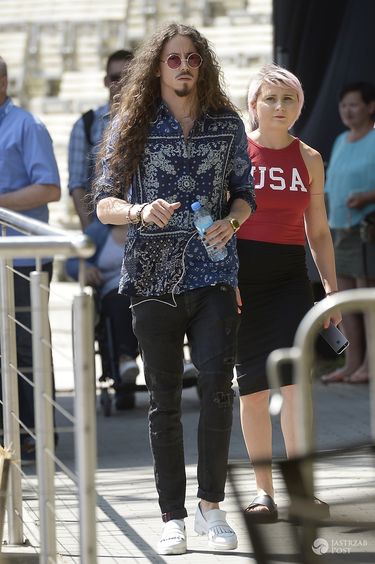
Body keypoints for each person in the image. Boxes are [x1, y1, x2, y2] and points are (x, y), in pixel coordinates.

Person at [93, 23, 256, 555]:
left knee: (215, 387)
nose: (183, 66)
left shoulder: (228, 124)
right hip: (152, 276)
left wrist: (232, 222)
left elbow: (243, 195)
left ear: (202, 64)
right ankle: (172, 517)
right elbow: (105, 203)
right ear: (157, 67)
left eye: (192, 58)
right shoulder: (131, 123)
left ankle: (211, 510)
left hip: (213, 270)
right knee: (163, 400)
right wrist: (139, 211)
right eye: (172, 59)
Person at [235, 64, 340, 521]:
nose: (280, 108)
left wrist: (331, 290)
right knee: (253, 391)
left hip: (289, 280)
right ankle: (263, 492)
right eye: (270, 99)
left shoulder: (310, 158)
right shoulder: (236, 152)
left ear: (300, 106)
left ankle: (302, 490)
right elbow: (214, 221)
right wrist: (226, 280)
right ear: (253, 103)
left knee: (296, 389)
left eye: (289, 100)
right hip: (240, 278)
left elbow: (318, 229)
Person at [0, 56, 61, 461]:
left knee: (25, 348)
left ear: (4, 81)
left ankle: (38, 435)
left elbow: (49, 188)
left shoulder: (27, 125)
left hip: (22, 258)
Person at [320, 81, 375, 384]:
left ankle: (371, 364)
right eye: (344, 105)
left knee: (369, 302)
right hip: (338, 231)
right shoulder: (341, 139)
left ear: (370, 106)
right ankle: (352, 362)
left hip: (366, 231)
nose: (348, 111)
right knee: (347, 303)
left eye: (354, 104)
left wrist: (367, 197)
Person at [66, 219, 139, 409]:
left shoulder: (149, 222)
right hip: (112, 290)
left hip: (148, 288)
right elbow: (72, 262)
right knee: (121, 302)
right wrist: (86, 269)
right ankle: (125, 360)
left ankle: (178, 361)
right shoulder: (97, 231)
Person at [68, 49, 134, 229]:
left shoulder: (157, 121)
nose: (121, 83)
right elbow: (77, 185)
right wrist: (90, 232)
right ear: (106, 82)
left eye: (128, 77)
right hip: (101, 228)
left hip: (143, 226)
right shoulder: (86, 124)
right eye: (115, 77)